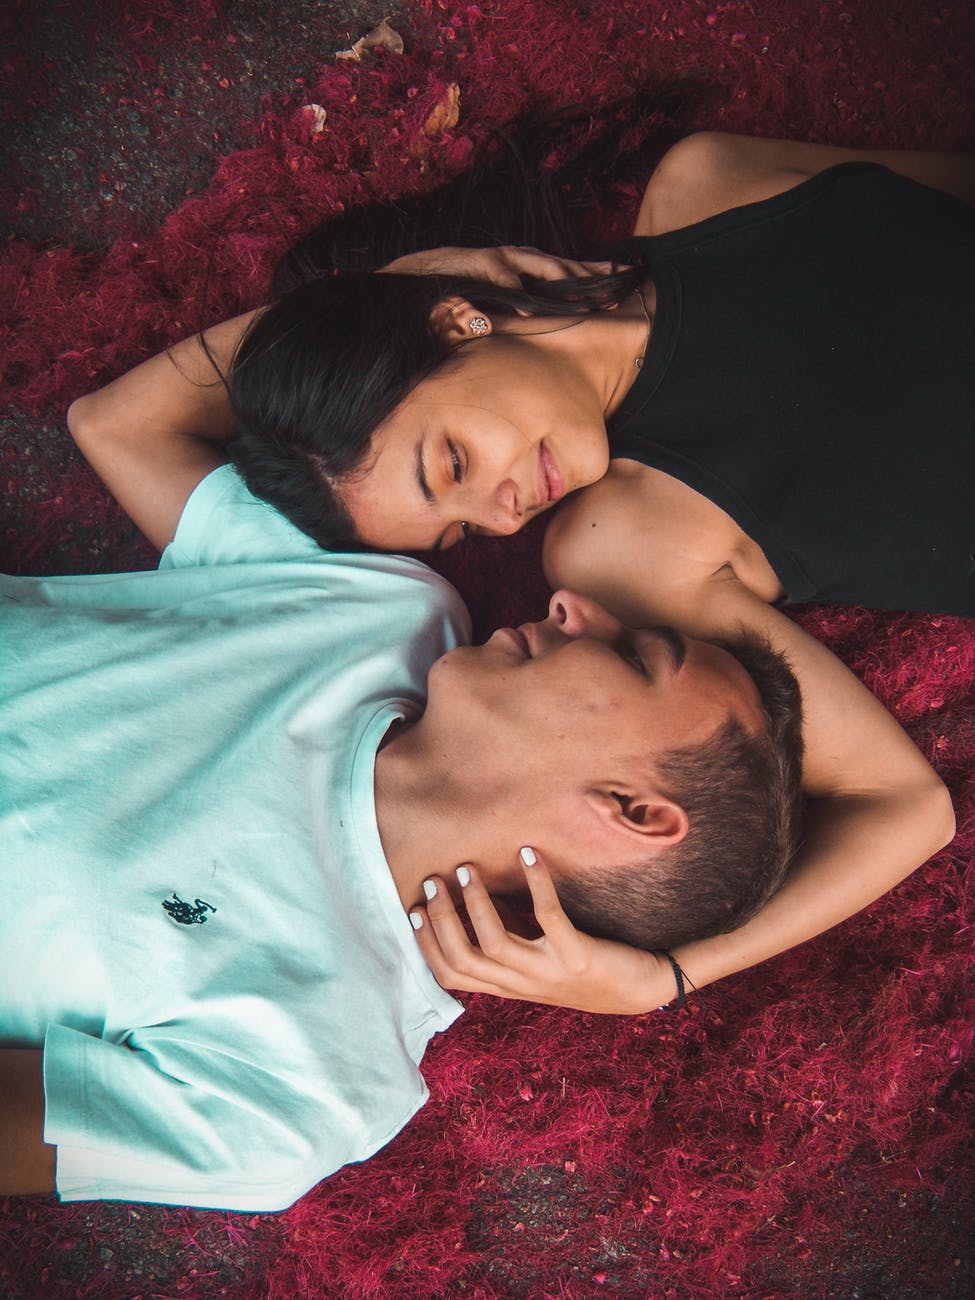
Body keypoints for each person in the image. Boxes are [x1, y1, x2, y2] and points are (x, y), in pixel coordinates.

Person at [64, 136, 959, 1018]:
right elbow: (901, 805)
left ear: (456, 324)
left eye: (451, 462)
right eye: (458, 528)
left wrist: (409, 287)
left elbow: (115, 418)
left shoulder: (708, 183)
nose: (500, 518)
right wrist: (667, 980)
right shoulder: (625, 544)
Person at [1, 420, 804, 1209]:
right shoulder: (393, 613)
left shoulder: (308, 1084)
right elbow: (131, 422)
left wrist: (661, 982)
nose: (571, 605)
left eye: (634, 656)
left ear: (630, 812)